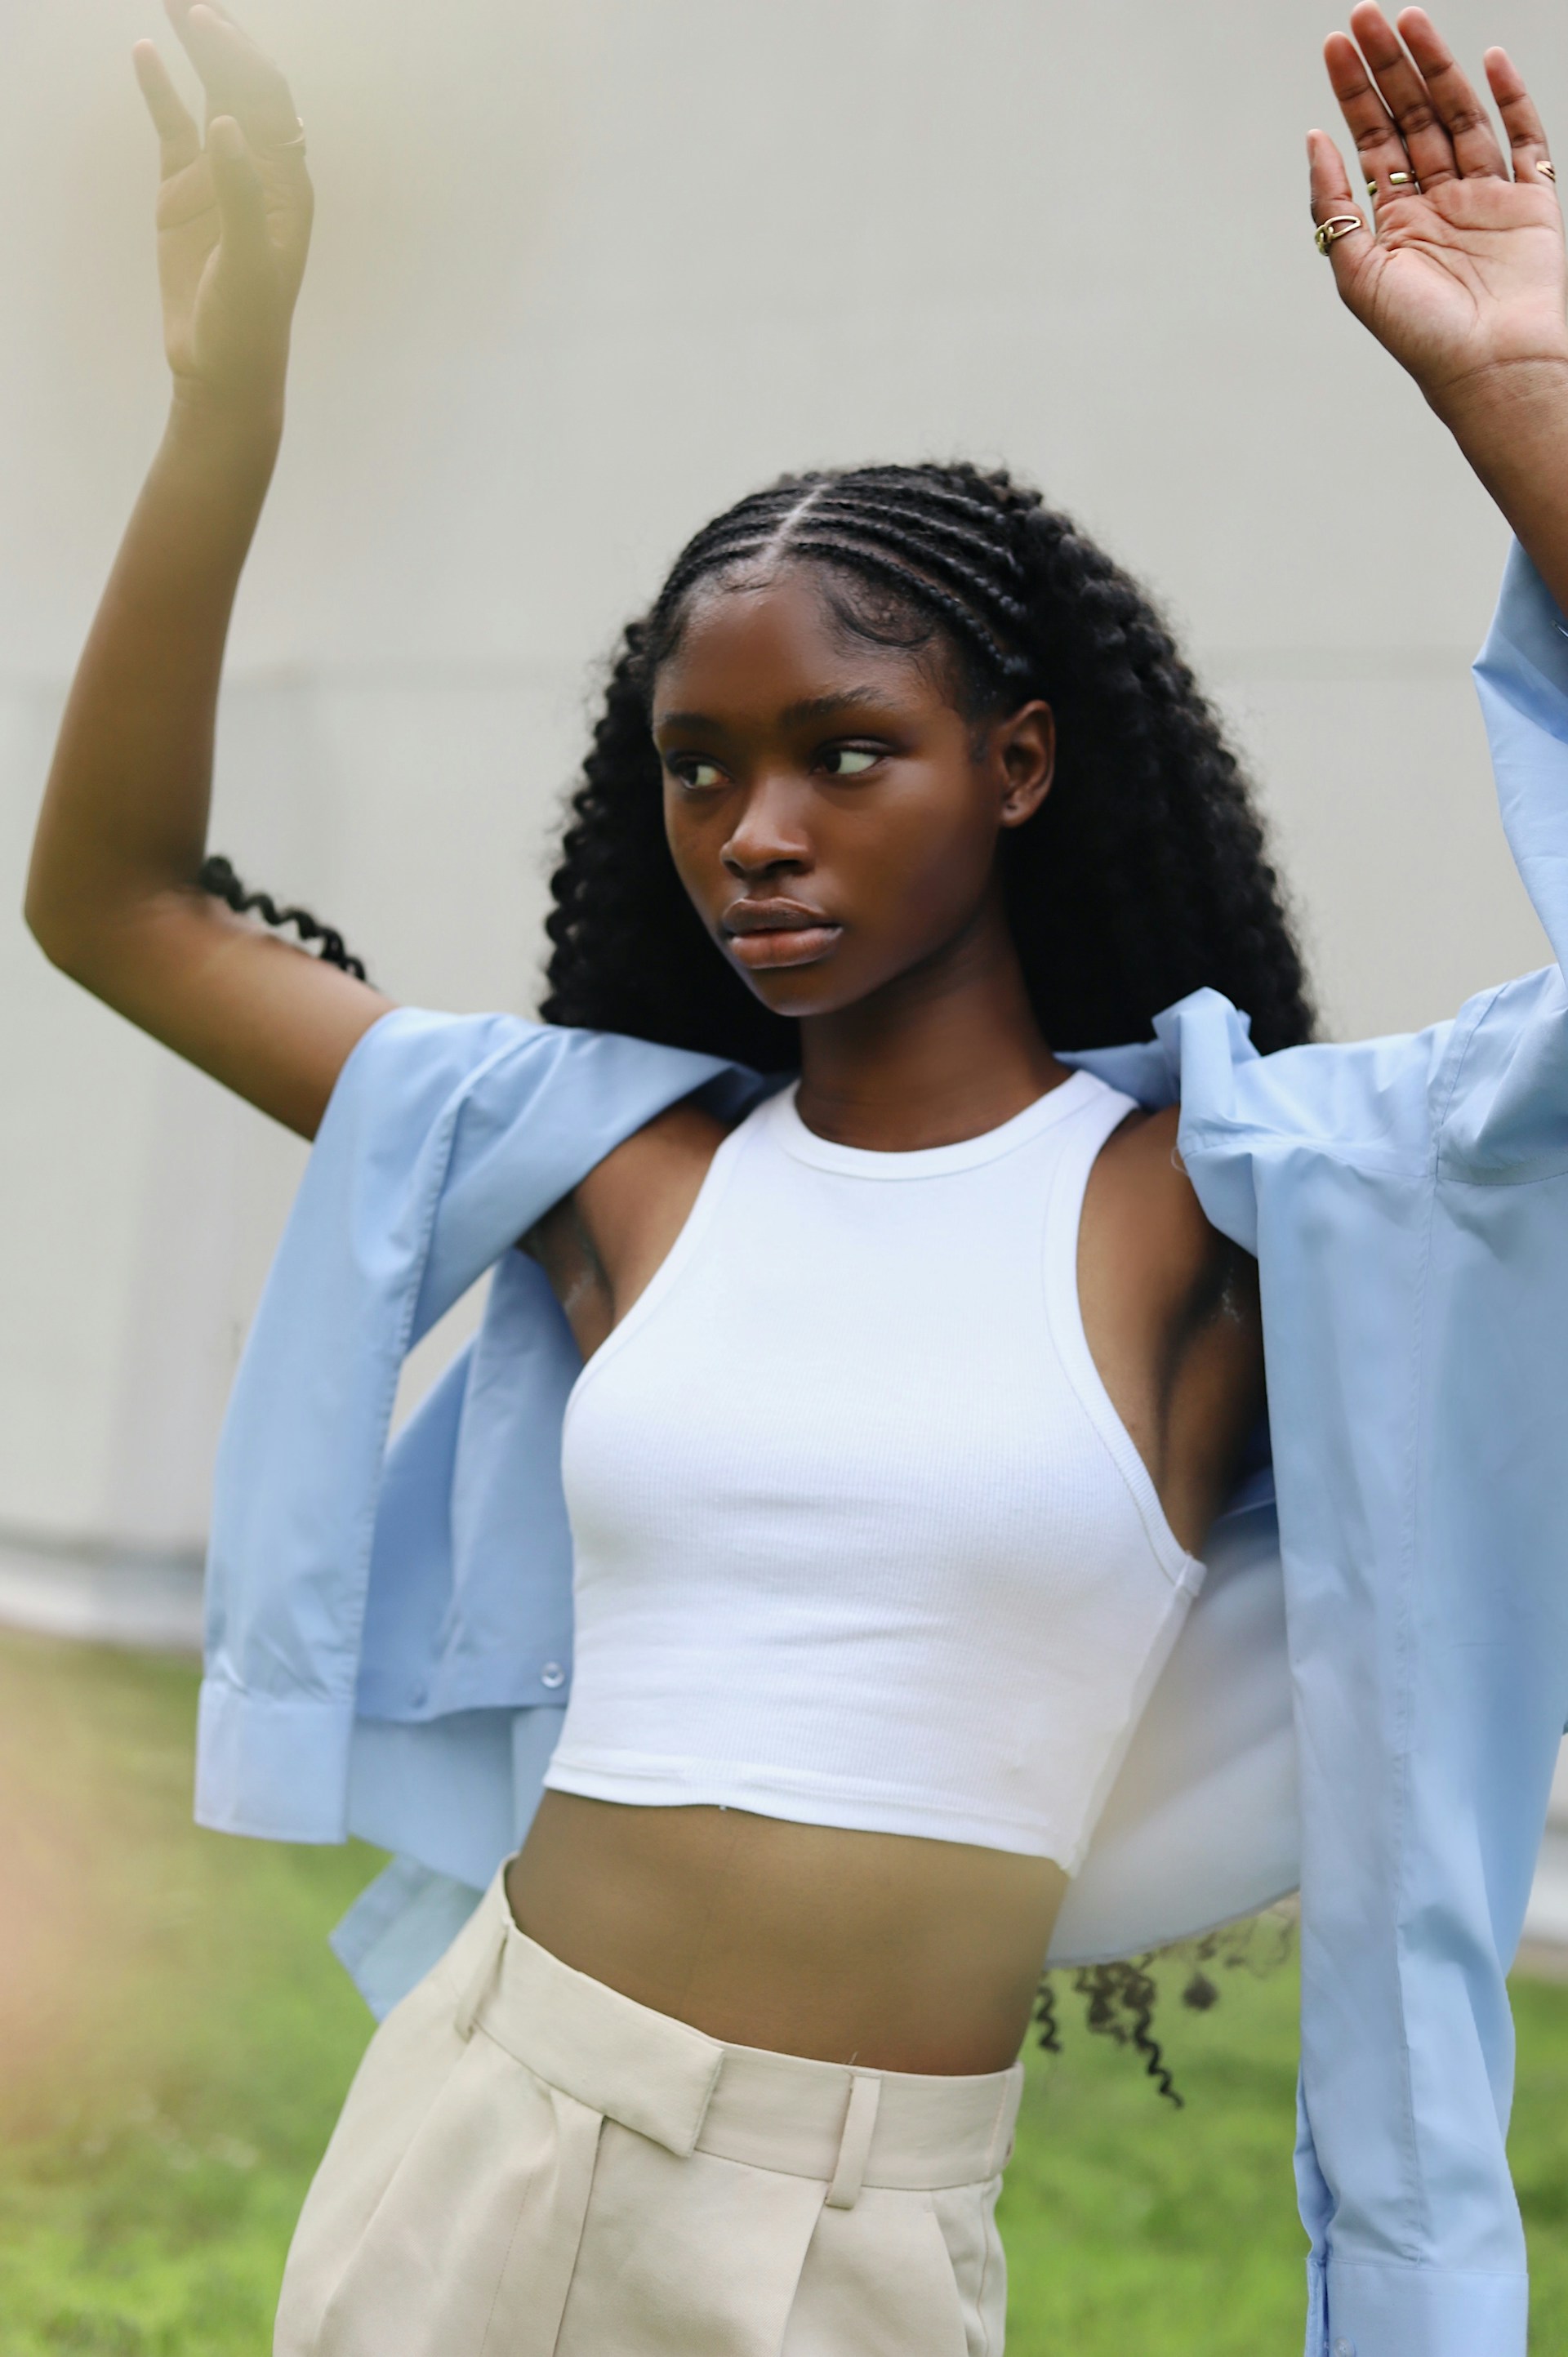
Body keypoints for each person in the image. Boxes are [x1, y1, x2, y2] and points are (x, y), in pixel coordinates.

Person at [23, 2, 1568, 2350]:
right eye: (699, 765)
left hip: (856, 2233)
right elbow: (117, 905)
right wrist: (228, 402)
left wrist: (1520, 405)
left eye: (849, 752)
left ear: (1022, 764)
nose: (756, 831)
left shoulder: (1222, 1212)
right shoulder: (622, 1173)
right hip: (476, 2125)